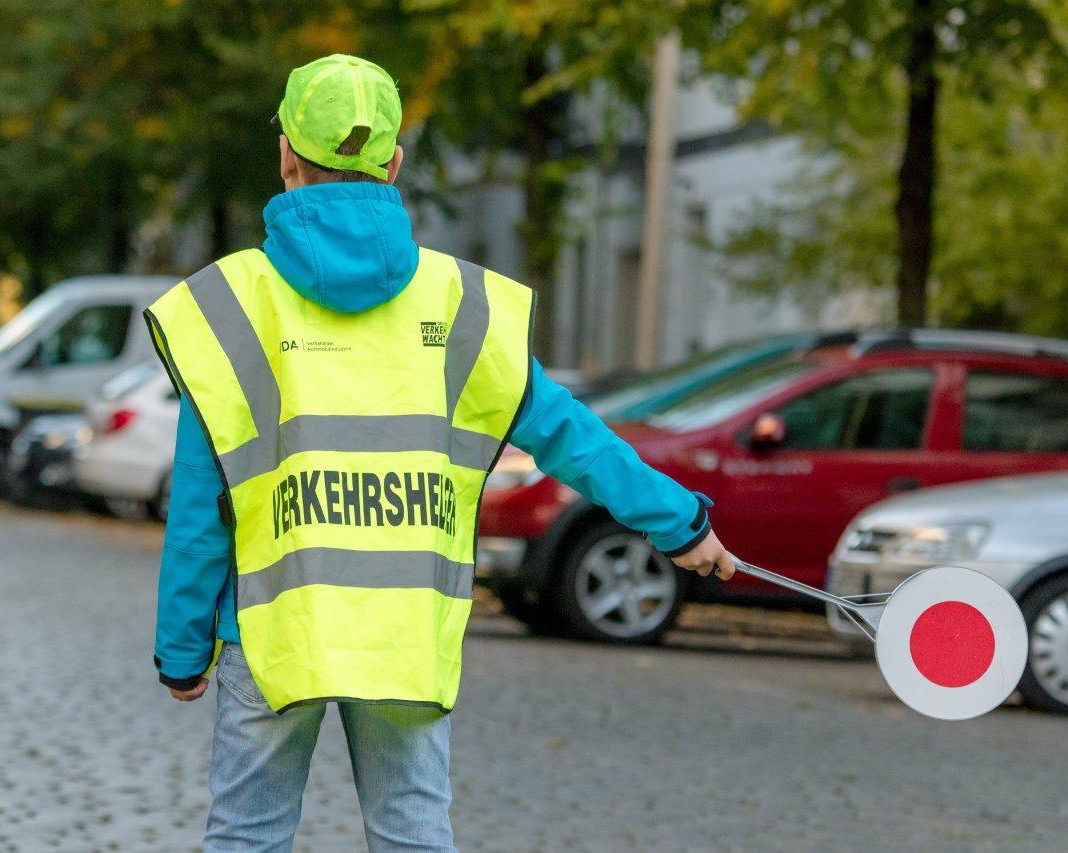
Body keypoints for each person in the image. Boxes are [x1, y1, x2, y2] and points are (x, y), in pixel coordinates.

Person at [148, 53, 735, 852]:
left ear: (284, 154)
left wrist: (184, 648)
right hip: (404, 634)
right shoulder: (464, 307)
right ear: (394, 163)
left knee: (247, 835)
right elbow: (575, 438)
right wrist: (680, 525)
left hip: (272, 633)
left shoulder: (228, 304)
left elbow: (200, 499)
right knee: (414, 835)